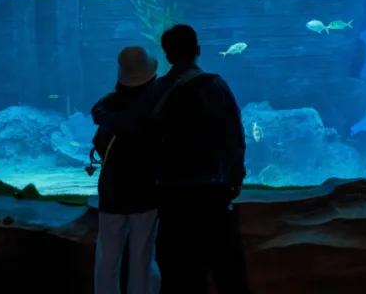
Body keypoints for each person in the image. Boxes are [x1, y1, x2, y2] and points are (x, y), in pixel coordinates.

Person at [93, 24, 249, 294]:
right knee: (227, 266)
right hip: (215, 191)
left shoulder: (160, 91)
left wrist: (100, 112)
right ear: (198, 50)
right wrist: (235, 177)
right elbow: (235, 136)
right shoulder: (217, 85)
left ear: (166, 55)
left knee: (179, 271)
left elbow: (128, 125)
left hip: (174, 195)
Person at [92, 46, 162, 294]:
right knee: (142, 257)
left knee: (107, 258)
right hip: (146, 192)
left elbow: (100, 144)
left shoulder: (108, 108)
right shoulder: (156, 108)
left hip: (112, 192)